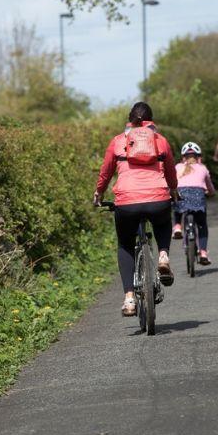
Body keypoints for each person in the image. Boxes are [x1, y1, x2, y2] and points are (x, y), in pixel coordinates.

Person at [94, 102, 180, 316]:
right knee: (162, 220)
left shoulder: (118, 141)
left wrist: (99, 194)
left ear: (129, 119)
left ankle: (129, 299)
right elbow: (170, 171)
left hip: (127, 202)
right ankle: (162, 256)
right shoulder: (161, 141)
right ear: (152, 119)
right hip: (158, 197)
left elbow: (105, 173)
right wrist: (174, 191)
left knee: (124, 244)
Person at [172, 142, 216, 264]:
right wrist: (211, 192)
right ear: (199, 158)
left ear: (183, 158)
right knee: (202, 225)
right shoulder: (203, 168)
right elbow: (210, 187)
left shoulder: (177, 167)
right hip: (198, 198)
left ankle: (177, 227)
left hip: (182, 195)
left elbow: (172, 183)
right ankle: (203, 252)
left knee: (176, 207)